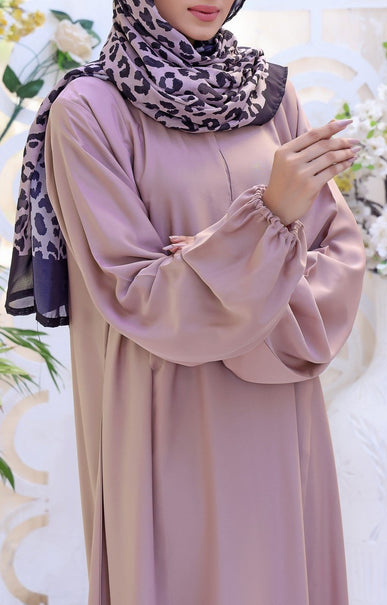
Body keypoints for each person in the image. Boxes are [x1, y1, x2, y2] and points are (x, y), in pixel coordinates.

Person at [6, 0, 366, 603]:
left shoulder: (268, 97)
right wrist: (262, 233)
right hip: (167, 415)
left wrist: (221, 257)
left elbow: (341, 255)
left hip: (279, 412)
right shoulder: (88, 111)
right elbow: (136, 295)